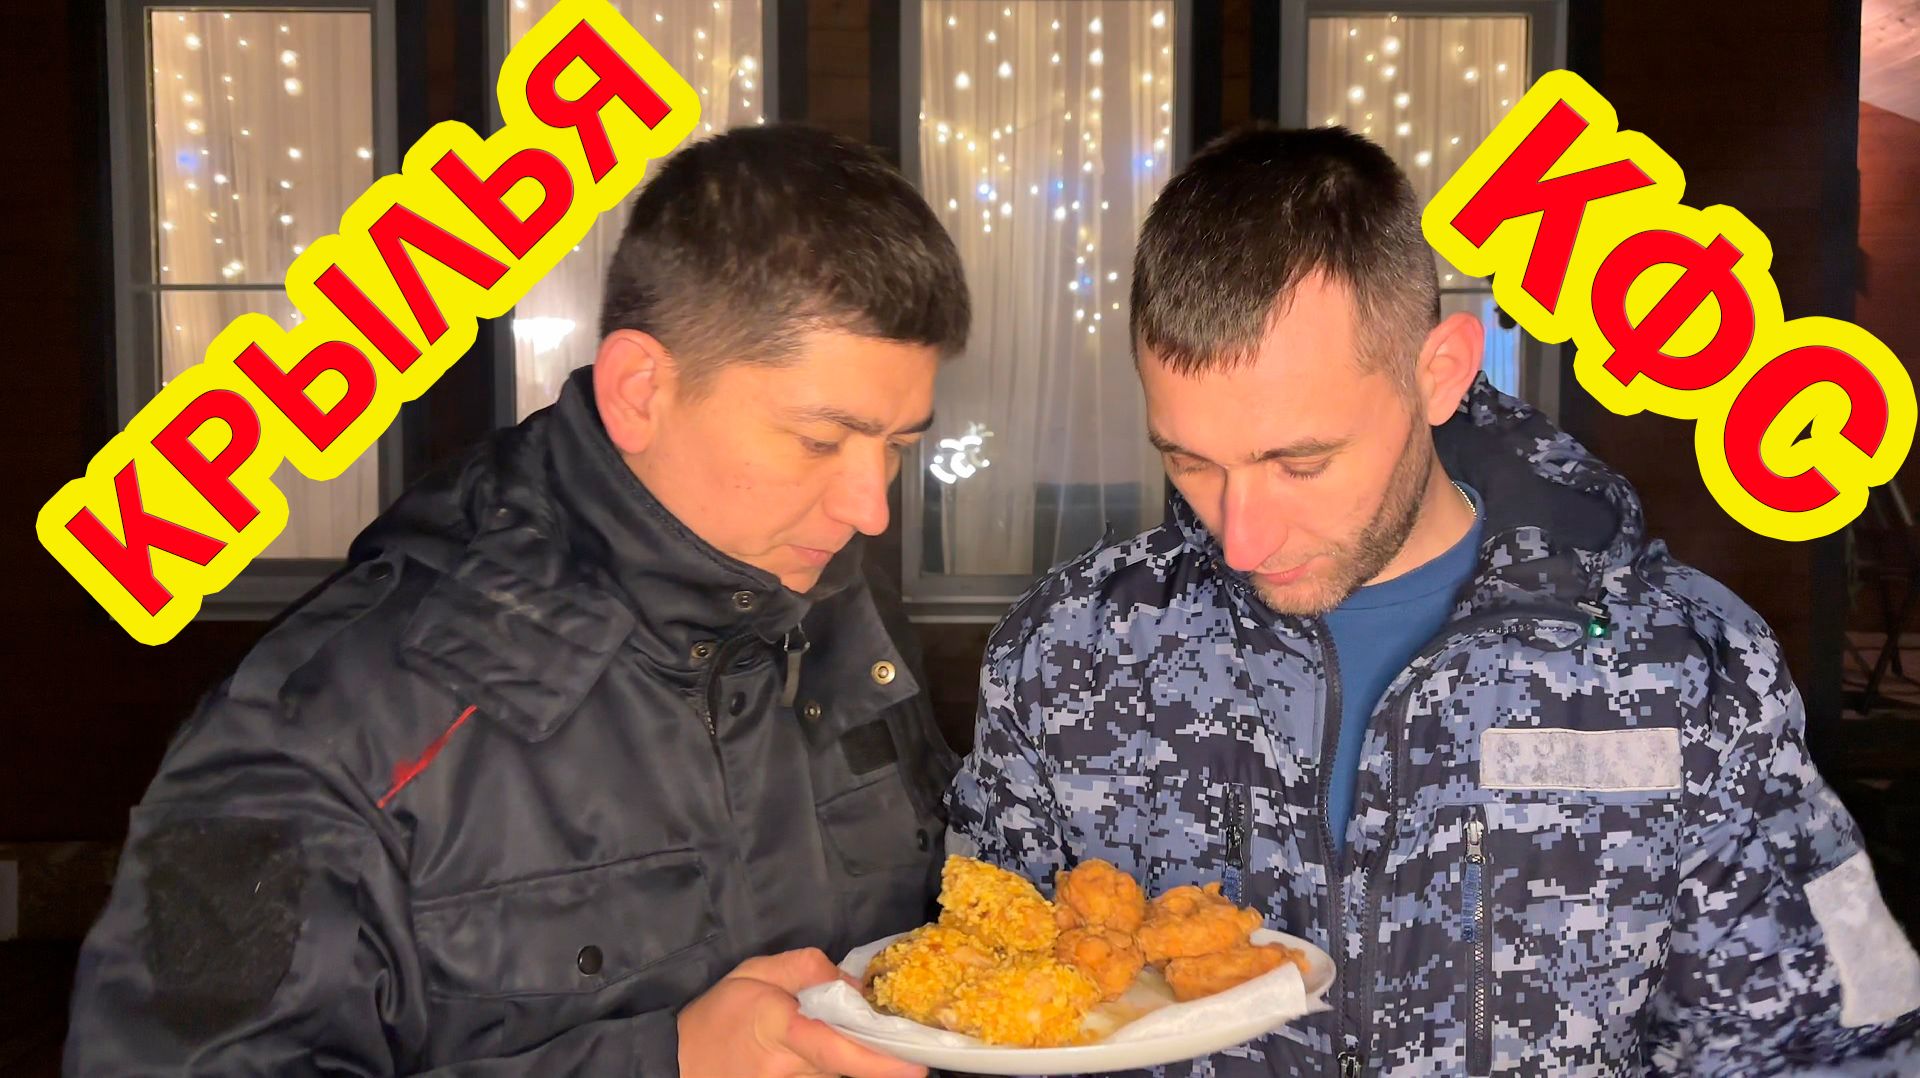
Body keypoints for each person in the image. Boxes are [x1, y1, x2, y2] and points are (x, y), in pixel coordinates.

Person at [945, 125, 1920, 1075]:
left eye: (1301, 462)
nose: (1242, 539)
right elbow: (965, 1010)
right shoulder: (1063, 654)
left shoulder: (1687, 665)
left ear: (1441, 372)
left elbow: (1834, 1044)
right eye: (1191, 462)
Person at [66, 124, 967, 1078]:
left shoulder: (837, 601)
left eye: (897, 446)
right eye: (822, 440)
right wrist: (658, 1066)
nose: (870, 509)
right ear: (639, 389)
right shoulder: (336, 719)